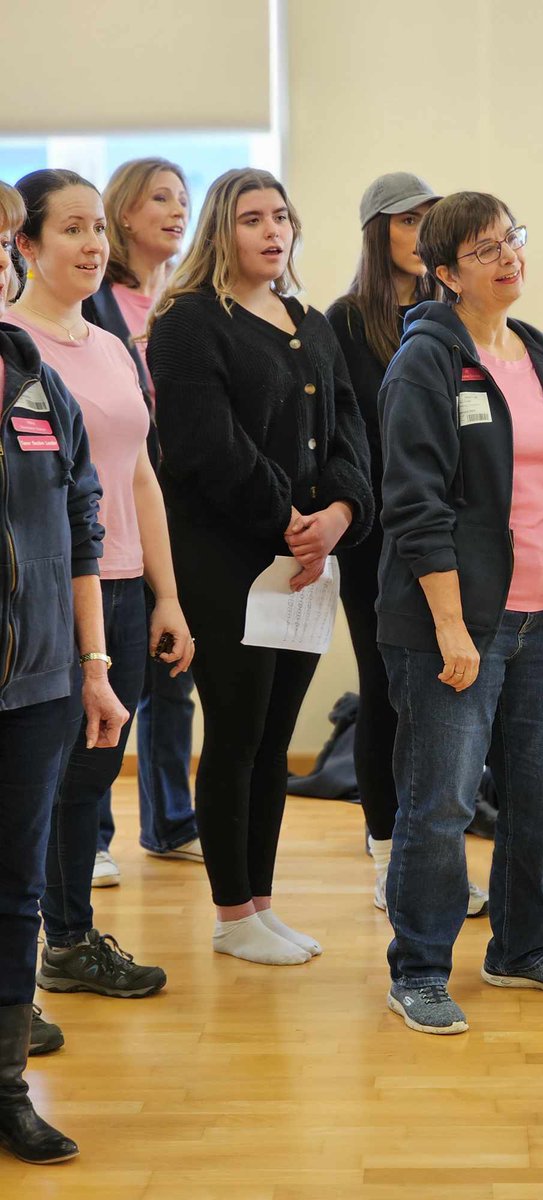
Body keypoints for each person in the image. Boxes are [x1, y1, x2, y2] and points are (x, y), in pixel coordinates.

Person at [378, 190, 543, 1036]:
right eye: (483, 249)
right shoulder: (425, 363)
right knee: (438, 804)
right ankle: (419, 970)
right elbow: (413, 505)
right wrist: (447, 625)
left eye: (511, 238)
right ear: (444, 274)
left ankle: (520, 946)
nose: (509, 255)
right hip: (457, 623)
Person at [148, 168, 373, 965]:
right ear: (222, 230)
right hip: (230, 559)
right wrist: (287, 523)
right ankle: (230, 912)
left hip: (307, 561)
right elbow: (207, 446)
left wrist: (339, 515)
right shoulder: (186, 321)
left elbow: (349, 433)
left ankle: (262, 904)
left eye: (281, 216)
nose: (272, 232)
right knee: (237, 733)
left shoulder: (308, 321)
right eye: (253, 219)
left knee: (276, 742)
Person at [9, 168, 194, 999]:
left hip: (120, 583)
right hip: (47, 594)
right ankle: (50, 944)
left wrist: (167, 595)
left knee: (91, 772)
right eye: (72, 230)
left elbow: (141, 477)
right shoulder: (14, 346)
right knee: (45, 779)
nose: (92, 245)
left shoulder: (114, 345)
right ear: (27, 245)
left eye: (97, 231)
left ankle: (69, 940)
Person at [0, 179, 128, 1165]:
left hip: (39, 679)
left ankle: (5, 1089)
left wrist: (92, 664)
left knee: (17, 891)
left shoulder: (28, 369)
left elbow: (83, 522)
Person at [326, 171, 487, 917]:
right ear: (375, 231)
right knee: (387, 692)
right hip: (375, 538)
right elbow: (342, 434)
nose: (421, 234)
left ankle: (436, 860)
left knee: (447, 701)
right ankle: (389, 853)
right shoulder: (345, 322)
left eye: (431, 220)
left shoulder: (452, 316)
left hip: (451, 535)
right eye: (407, 220)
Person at [82, 157, 200, 883]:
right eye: (160, 199)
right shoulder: (97, 305)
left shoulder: (189, 304)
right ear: (123, 214)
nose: (176, 211)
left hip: (178, 505)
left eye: (183, 201)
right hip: (109, 507)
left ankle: (170, 820)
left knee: (171, 675)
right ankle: (93, 836)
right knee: (107, 679)